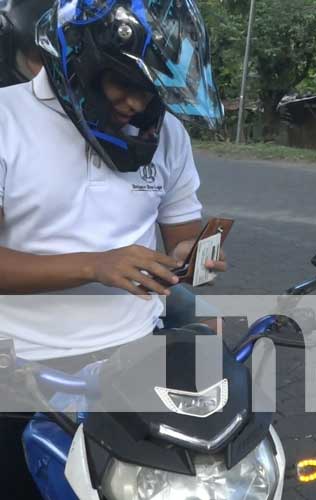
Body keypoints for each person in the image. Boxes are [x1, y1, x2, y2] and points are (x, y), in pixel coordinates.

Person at [0, 0, 227, 496]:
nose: (137, 105)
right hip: (21, 374)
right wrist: (96, 266)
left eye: (151, 92)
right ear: (77, 64)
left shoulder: (165, 134)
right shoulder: (6, 120)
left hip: (131, 365)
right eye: (122, 85)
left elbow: (180, 235)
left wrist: (194, 260)